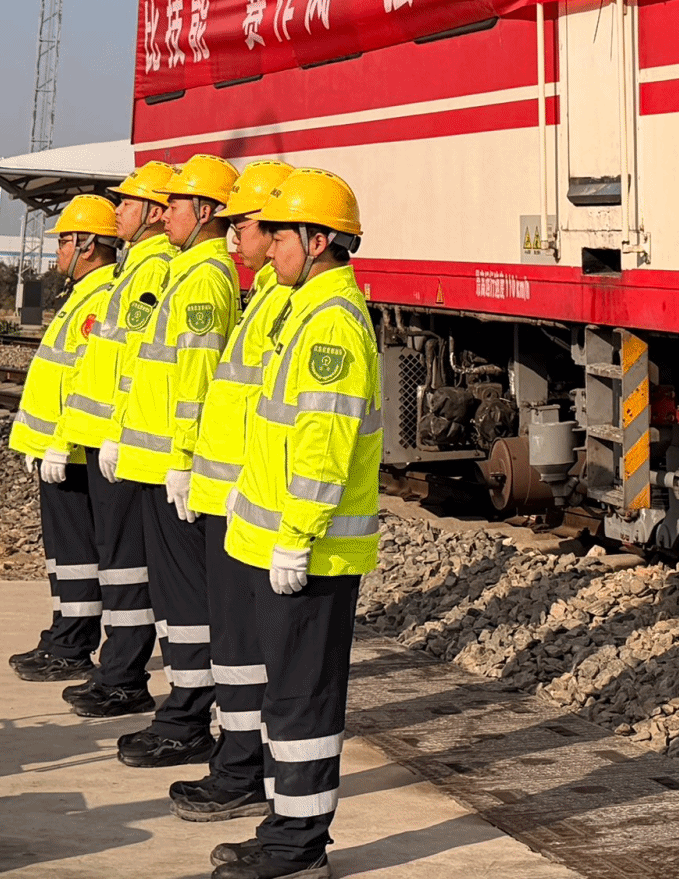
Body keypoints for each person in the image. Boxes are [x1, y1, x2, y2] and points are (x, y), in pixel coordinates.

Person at [212, 169, 379, 879]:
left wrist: (297, 536)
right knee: (286, 698)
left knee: (304, 702)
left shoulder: (331, 323)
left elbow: (322, 445)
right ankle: (285, 827)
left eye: (280, 233)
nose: (269, 244)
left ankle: (299, 848)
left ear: (317, 241)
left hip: (310, 553)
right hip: (281, 544)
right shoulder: (303, 309)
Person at [171, 159, 294, 823]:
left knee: (247, 649)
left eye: (241, 224)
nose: (232, 236)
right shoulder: (266, 297)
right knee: (236, 647)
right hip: (230, 500)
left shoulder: (280, 303)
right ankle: (239, 759)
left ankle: (244, 768)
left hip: (247, 505)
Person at [111, 154, 243, 769]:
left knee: (187, 601)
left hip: (174, 466)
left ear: (206, 211)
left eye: (176, 205)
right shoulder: (185, 272)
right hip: (158, 461)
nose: (165, 216)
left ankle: (188, 719)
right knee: (173, 598)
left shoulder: (205, 279)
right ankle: (181, 710)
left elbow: (197, 377)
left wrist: (184, 460)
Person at [55, 160, 179, 719]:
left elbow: (133, 366)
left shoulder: (153, 271)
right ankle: (118, 670)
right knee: (118, 563)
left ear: (152, 212)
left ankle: (124, 676)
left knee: (127, 566)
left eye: (127, 202)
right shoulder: (137, 268)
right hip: (118, 439)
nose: (118, 211)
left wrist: (114, 434)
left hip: (129, 443)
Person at [6, 194, 122, 682]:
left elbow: (86, 383)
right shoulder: (82, 295)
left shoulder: (100, 298)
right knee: (65, 555)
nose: (58, 251)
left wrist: (60, 442)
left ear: (87, 245)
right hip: (59, 450)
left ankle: (72, 645)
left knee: (76, 554)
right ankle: (62, 635)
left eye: (63, 242)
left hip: (71, 454)